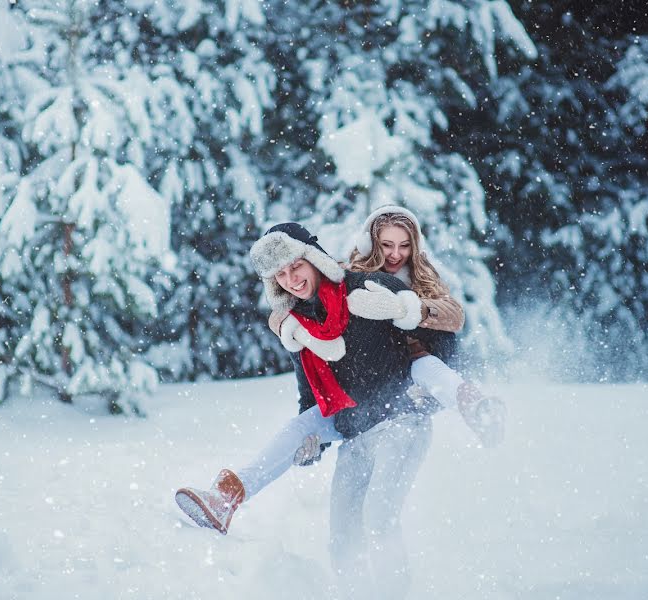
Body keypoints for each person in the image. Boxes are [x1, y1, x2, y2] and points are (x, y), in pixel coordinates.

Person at [176, 222, 450, 597]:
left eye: (296, 267)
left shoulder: (365, 287)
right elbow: (310, 397)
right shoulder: (298, 325)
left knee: (380, 519)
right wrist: (311, 449)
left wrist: (437, 394)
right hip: (352, 430)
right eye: (281, 274)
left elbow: (437, 335)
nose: (291, 279)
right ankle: (227, 498)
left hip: (399, 419)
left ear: (313, 259)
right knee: (342, 538)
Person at [268, 205, 505, 447]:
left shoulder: (422, 277)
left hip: (415, 363)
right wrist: (282, 321)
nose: (395, 254)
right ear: (371, 244)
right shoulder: (353, 274)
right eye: (386, 245)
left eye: (404, 245)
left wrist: (409, 309)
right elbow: (309, 294)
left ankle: (478, 410)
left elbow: (454, 315)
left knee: (429, 367)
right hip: (375, 374)